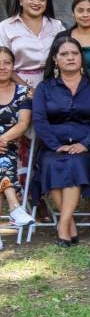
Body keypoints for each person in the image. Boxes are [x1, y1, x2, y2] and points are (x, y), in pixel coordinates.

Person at [31, 37, 90, 247]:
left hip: (89, 148)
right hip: (53, 147)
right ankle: (69, 224)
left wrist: (86, 144)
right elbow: (39, 120)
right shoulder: (45, 88)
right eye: (64, 54)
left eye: (74, 53)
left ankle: (63, 224)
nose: (70, 58)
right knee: (51, 163)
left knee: (74, 162)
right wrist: (56, 145)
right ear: (55, 59)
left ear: (81, 57)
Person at [0, 0, 64, 89]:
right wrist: (27, 89)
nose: (36, 3)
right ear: (20, 0)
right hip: (16, 86)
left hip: (52, 85)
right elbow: (2, 63)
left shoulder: (56, 26)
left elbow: (66, 54)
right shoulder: (5, 27)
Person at [0, 47, 34, 229]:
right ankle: (15, 207)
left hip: (10, 148)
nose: (2, 67)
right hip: (6, 155)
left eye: (7, 63)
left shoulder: (23, 92)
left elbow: (23, 123)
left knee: (2, 159)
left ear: (13, 66)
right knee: (2, 160)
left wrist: (1, 140)